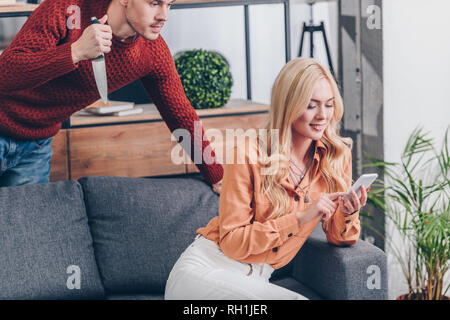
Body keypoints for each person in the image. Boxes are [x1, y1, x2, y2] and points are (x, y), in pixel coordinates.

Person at [164, 57, 369, 300]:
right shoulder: (248, 154)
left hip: (255, 281)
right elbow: (232, 242)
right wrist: (301, 217)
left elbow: (340, 238)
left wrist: (348, 213)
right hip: (204, 272)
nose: (322, 115)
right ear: (289, 105)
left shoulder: (336, 156)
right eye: (311, 105)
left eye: (329, 105)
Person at [0, 0, 223, 191]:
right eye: (154, 2)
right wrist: (75, 51)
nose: (163, 16)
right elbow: (5, 73)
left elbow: (181, 115)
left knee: (23, 235)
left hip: (36, 145)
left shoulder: (152, 52)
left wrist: (217, 176)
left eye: (169, 4)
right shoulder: (69, 8)